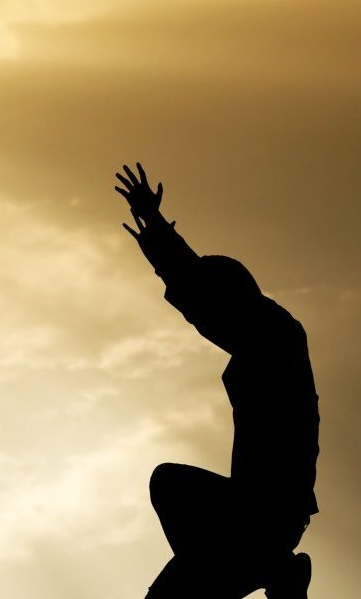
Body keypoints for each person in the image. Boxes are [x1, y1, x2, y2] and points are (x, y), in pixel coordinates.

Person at [113, 163, 319, 599]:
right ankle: (262, 575)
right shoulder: (258, 341)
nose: (207, 326)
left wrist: (159, 237)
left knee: (168, 485)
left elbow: (203, 296)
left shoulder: (276, 337)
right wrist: (155, 236)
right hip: (251, 518)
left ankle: (276, 570)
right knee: (170, 507)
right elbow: (201, 301)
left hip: (267, 517)